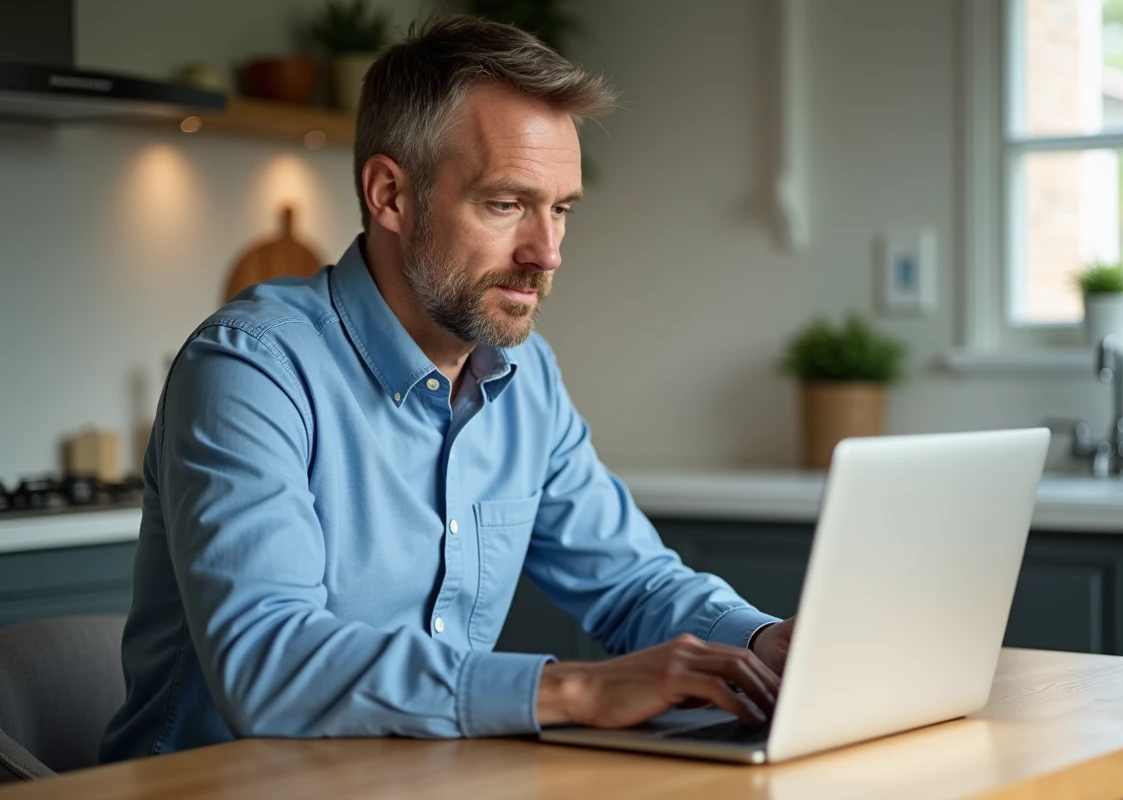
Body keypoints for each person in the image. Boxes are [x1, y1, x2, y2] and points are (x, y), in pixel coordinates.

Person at [99, 14, 795, 762]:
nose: (548, 253)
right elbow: (268, 660)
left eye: (561, 209)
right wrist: (575, 691)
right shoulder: (252, 368)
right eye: (506, 204)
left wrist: (768, 643)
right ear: (391, 195)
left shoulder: (528, 380)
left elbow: (634, 585)